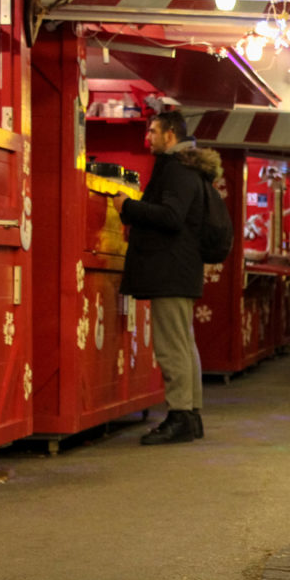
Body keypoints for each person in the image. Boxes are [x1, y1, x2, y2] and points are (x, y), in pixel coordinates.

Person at [113, 111, 218, 445]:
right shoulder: (192, 169)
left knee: (172, 346)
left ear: (171, 135)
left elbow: (171, 216)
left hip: (170, 269)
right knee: (184, 344)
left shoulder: (176, 169)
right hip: (182, 268)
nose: (149, 138)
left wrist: (127, 206)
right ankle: (191, 414)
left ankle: (180, 415)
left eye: (154, 132)